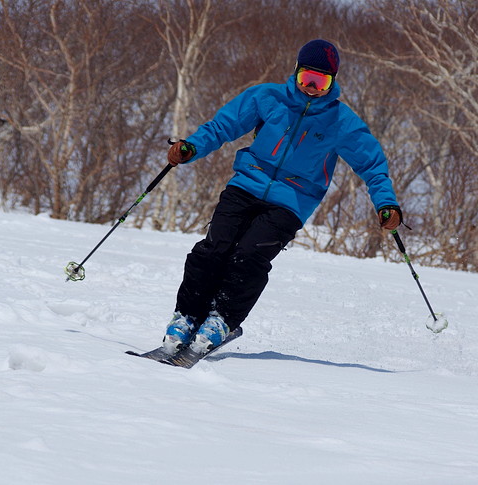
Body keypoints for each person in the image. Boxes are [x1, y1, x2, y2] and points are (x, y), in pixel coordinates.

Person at [162, 39, 402, 355]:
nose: (313, 88)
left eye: (321, 82)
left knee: (249, 256)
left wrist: (386, 203)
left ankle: (222, 320)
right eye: (307, 79)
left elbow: (372, 164)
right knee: (212, 249)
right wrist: (191, 147)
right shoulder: (267, 97)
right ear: (296, 73)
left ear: (333, 82)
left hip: (293, 200)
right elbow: (224, 125)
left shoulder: (341, 123)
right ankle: (187, 316)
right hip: (246, 184)